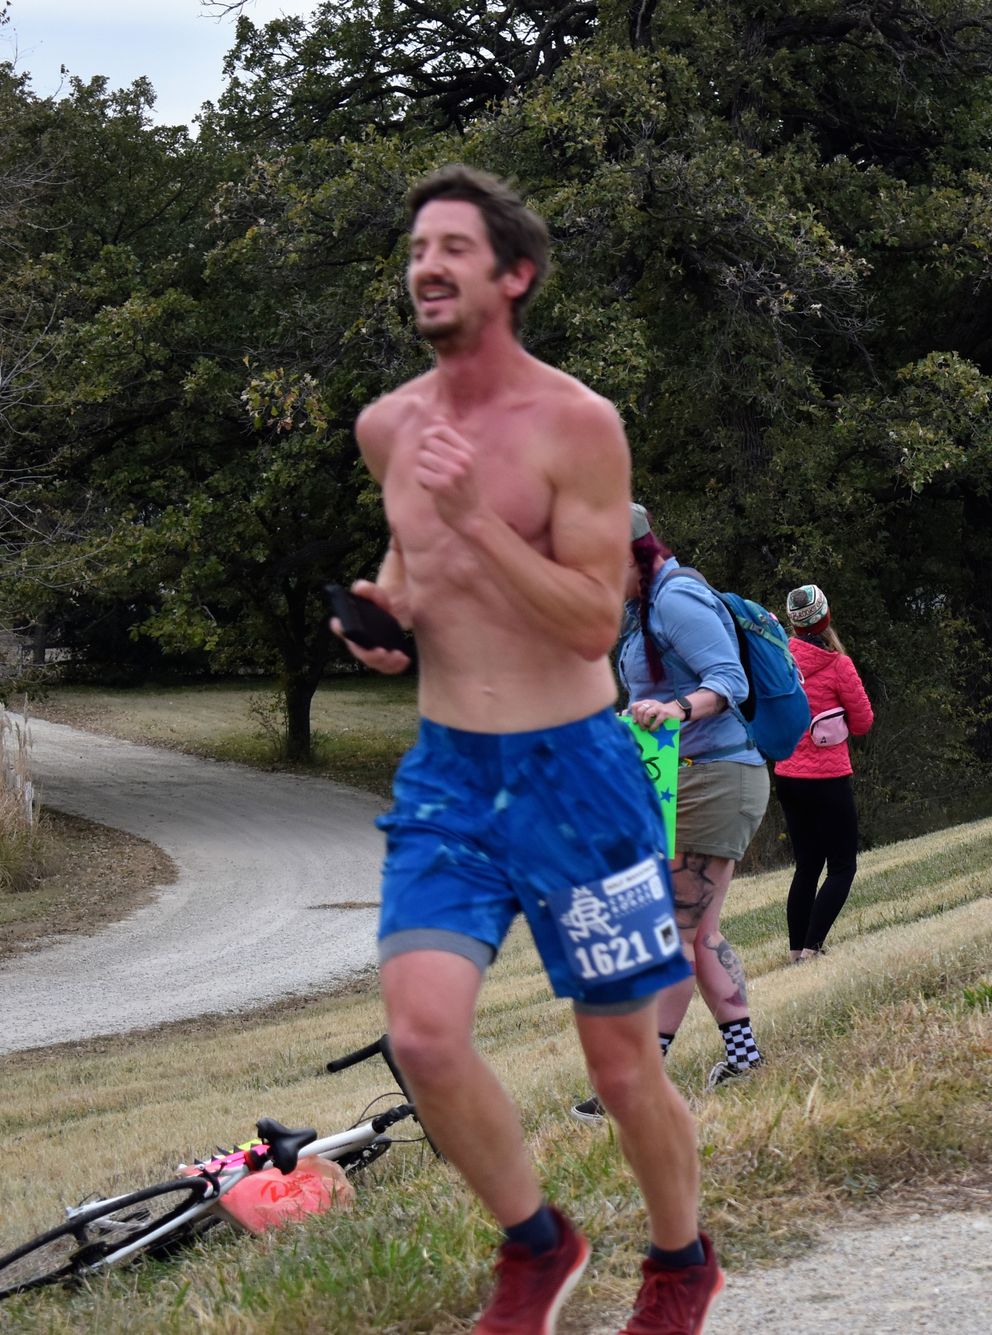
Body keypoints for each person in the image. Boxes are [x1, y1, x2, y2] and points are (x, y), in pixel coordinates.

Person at [335, 166, 720, 1335]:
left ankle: (680, 1266)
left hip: (577, 778)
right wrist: (387, 615)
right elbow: (414, 570)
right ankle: (537, 1244)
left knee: (620, 1067)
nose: (427, 267)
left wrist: (473, 523)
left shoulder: (576, 425)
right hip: (450, 776)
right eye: (417, 249)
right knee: (421, 1036)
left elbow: (592, 621)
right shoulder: (389, 428)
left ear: (514, 276)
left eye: (453, 249)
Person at [573, 501, 771, 1126]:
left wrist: (678, 710)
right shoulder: (645, 608)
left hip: (714, 780)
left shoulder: (677, 598)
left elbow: (730, 681)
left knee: (674, 936)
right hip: (686, 780)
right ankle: (744, 1060)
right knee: (699, 932)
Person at [773, 585, 876, 961]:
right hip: (828, 778)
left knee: (807, 866)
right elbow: (863, 722)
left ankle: (795, 952)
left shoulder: (779, 661)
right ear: (826, 617)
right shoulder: (838, 664)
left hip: (787, 775)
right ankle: (812, 949)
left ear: (794, 624)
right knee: (842, 866)